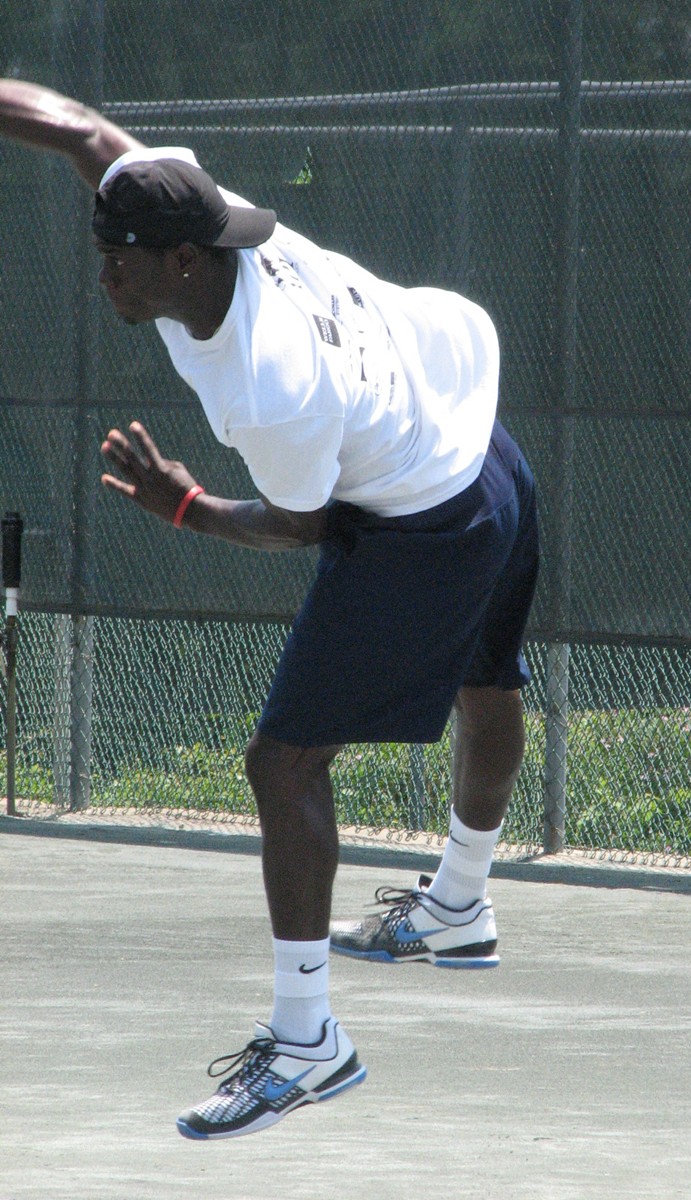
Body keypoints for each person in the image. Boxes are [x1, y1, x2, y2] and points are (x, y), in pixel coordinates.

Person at [0, 79, 539, 1140]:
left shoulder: (271, 384)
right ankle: (460, 907)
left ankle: (305, 1043)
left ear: (183, 263)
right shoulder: (202, 209)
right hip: (474, 424)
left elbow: (303, 526)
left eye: (119, 261)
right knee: (484, 678)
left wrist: (186, 505)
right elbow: (80, 131)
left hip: (428, 512)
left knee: (282, 763)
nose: (102, 275)